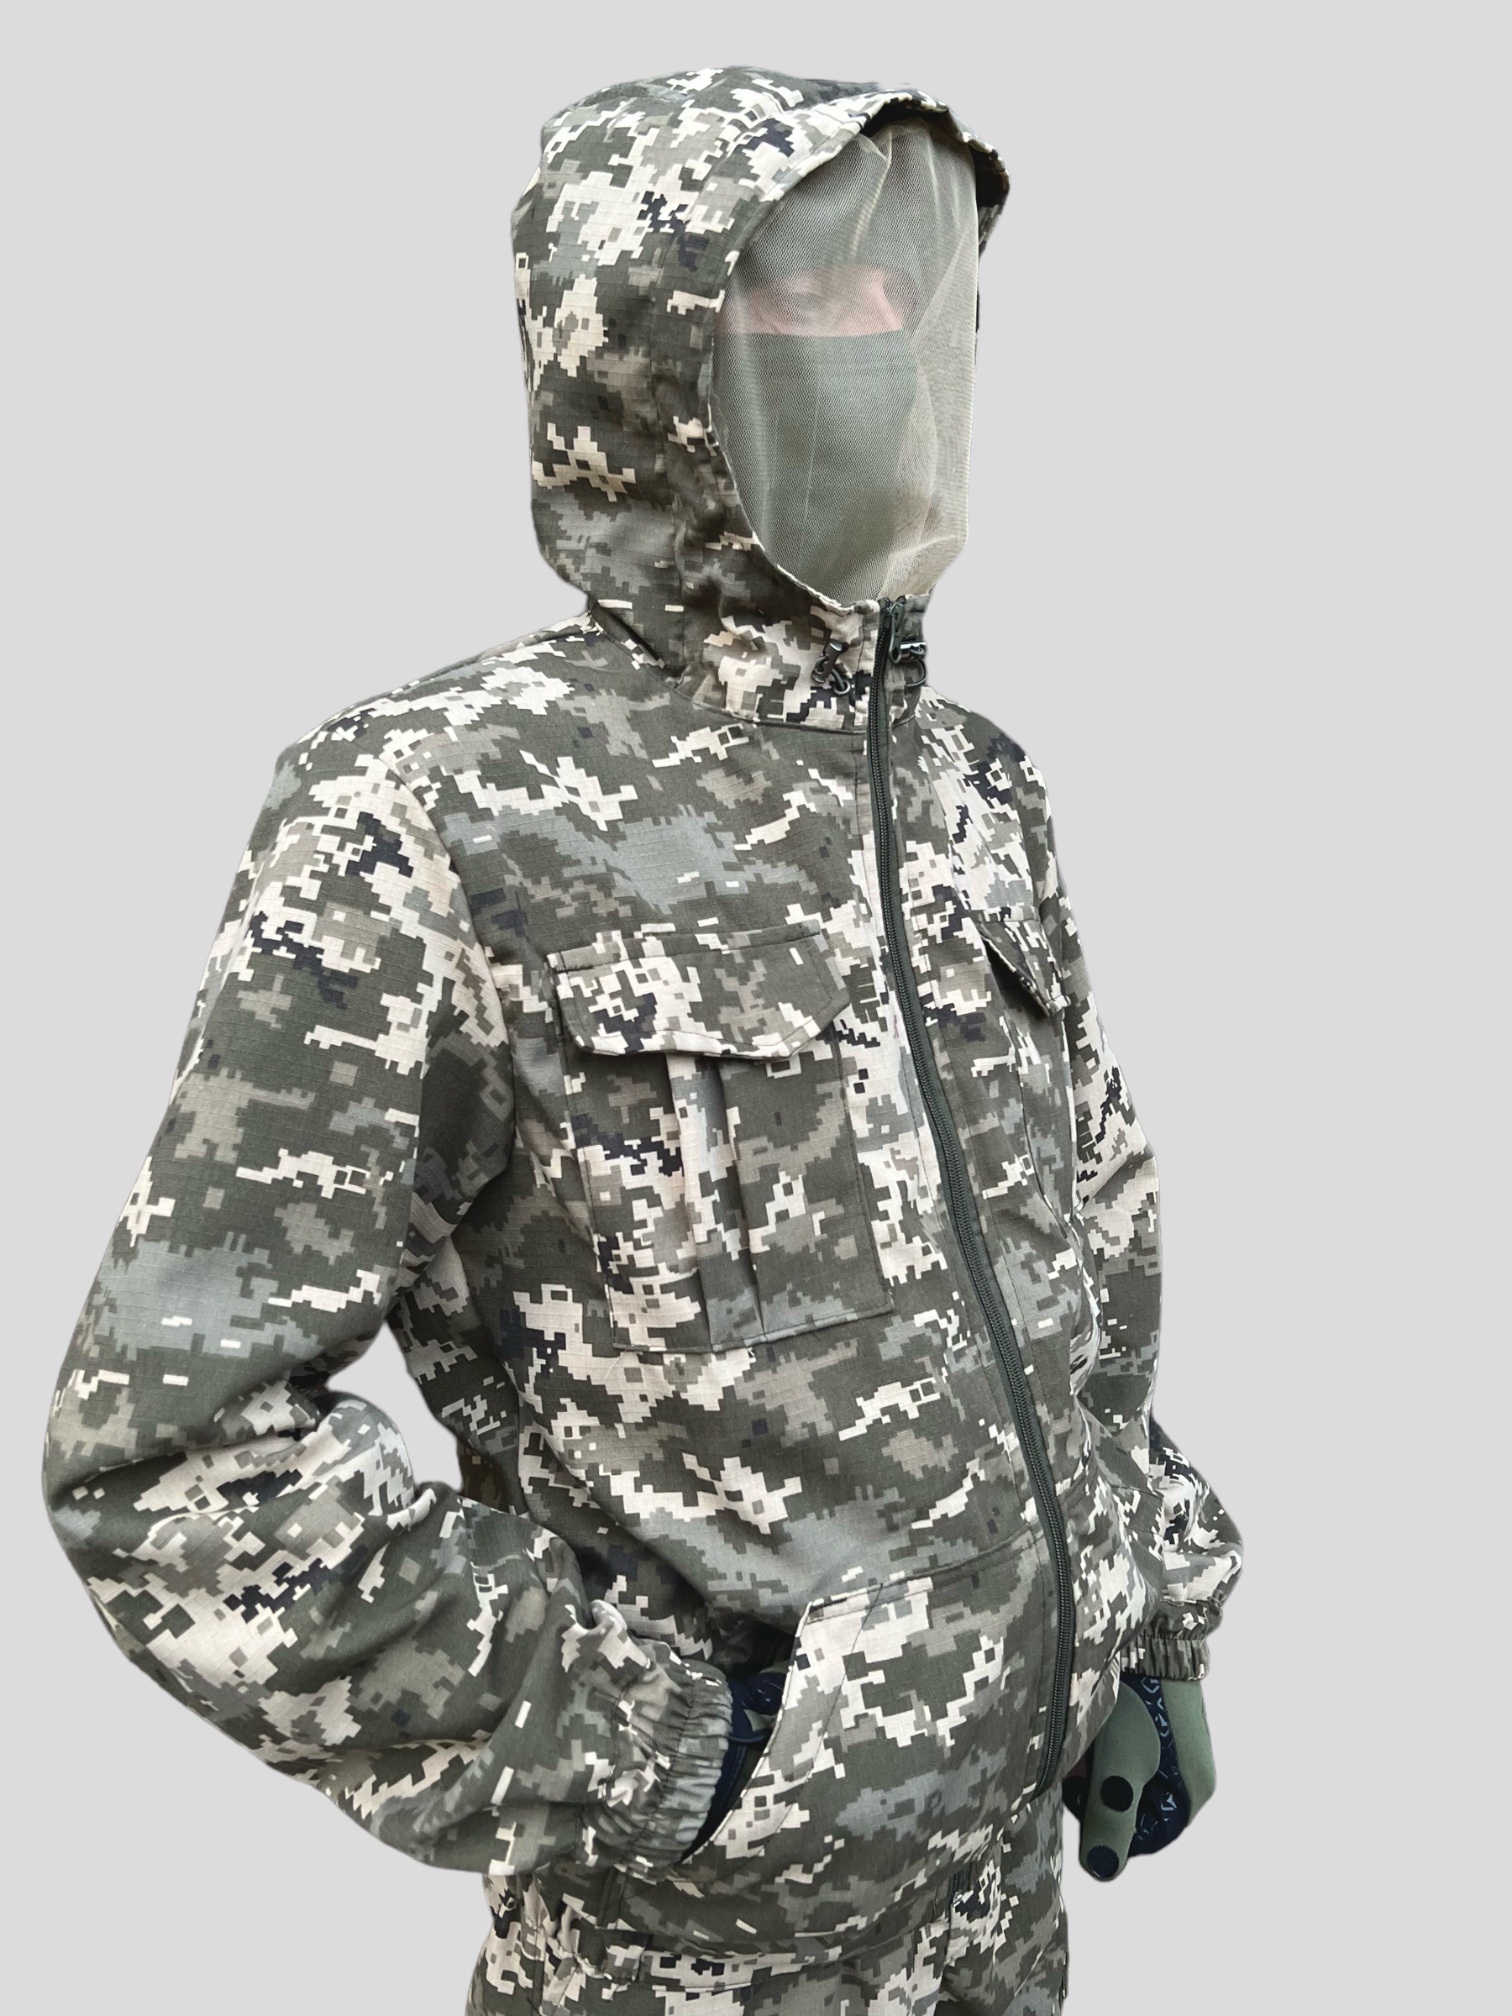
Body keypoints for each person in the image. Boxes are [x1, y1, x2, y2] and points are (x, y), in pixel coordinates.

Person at [43, 68, 1242, 2014]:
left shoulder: (969, 791)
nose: (890, 330)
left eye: (907, 281)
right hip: (688, 1962)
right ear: (649, 353)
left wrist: (1148, 1612)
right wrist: (661, 1749)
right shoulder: (434, 809)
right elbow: (167, 1453)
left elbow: (1085, 1256)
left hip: (1003, 1920)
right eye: (809, 286)